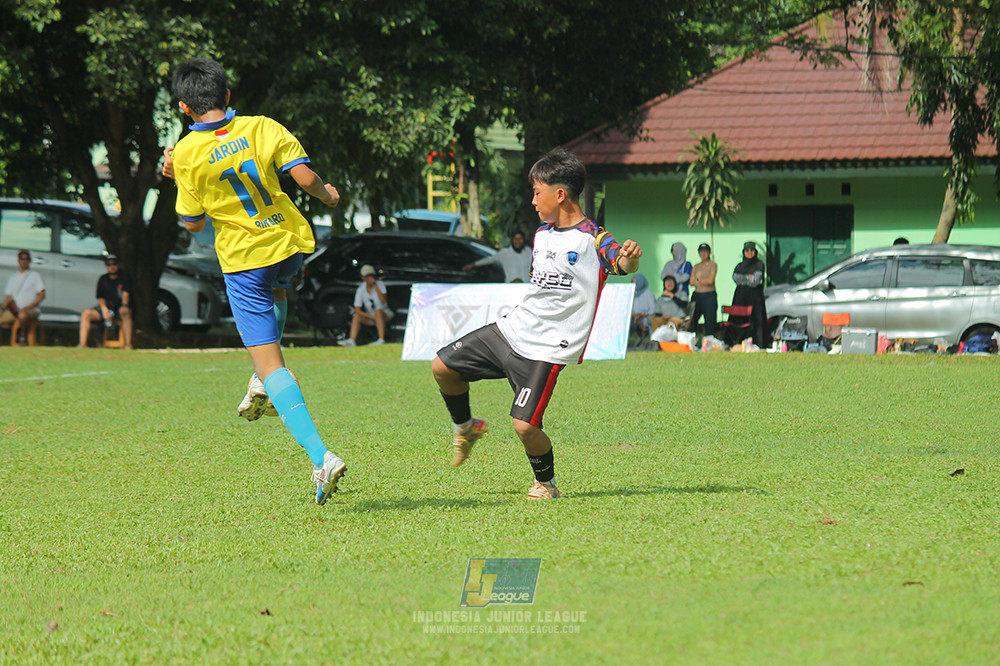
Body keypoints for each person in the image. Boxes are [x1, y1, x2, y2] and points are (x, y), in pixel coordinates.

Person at [164, 57, 346, 504]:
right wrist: (328, 195)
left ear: (184, 107)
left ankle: (321, 457)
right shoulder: (262, 126)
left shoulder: (185, 153)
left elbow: (191, 222)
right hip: (288, 244)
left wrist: (175, 175)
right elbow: (304, 177)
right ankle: (262, 382)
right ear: (227, 95)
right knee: (278, 288)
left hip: (245, 260)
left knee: (270, 363)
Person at [431, 148, 642, 500]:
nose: (532, 201)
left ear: (559, 194)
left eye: (536, 192)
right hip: (512, 330)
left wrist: (629, 259)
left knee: (525, 426)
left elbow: (620, 263)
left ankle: (547, 485)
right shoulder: (542, 234)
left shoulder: (594, 238)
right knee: (442, 367)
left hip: (548, 348)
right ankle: (466, 428)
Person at [77, 254, 133, 349]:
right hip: (106, 308)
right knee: (86, 314)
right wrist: (104, 309)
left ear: (118, 265)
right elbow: (100, 297)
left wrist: (124, 305)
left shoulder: (125, 277)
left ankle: (128, 344)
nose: (112, 267)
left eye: (114, 264)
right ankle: (82, 344)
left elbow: (125, 294)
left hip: (119, 308)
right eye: (109, 264)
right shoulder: (103, 279)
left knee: (125, 312)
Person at [340, 264, 392, 346]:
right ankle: (352, 340)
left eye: (371, 275)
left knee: (378, 312)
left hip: (384, 313)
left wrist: (375, 286)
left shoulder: (380, 284)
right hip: (371, 315)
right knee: (356, 316)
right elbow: (357, 309)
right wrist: (372, 317)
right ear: (363, 278)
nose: (370, 278)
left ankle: (381, 339)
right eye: (367, 276)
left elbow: (383, 300)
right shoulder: (360, 289)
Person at [2, 249, 45, 345]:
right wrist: (1, 309)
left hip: (31, 310)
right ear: (18, 261)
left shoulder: (35, 276)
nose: (24, 261)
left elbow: (42, 295)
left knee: (22, 315)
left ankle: (22, 336)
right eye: (22, 259)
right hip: (14, 310)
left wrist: (29, 306)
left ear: (29, 261)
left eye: (27, 259)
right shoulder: (13, 278)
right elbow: (8, 297)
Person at [731, 241, 768, 348]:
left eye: (752, 250)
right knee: (739, 321)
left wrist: (743, 280)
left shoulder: (759, 264)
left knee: (757, 322)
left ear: (755, 252)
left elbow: (754, 281)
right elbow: (735, 278)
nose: (749, 252)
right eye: (747, 250)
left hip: (756, 300)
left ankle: (758, 345)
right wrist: (748, 277)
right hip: (740, 299)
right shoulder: (739, 266)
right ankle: (738, 343)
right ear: (744, 252)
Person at [462, 230, 532, 283]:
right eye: (515, 238)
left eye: (520, 238)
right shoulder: (505, 253)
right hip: (511, 288)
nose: (518, 241)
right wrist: (473, 265)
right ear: (512, 240)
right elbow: (489, 260)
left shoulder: (528, 251)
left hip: (527, 287)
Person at [689, 242, 718, 337]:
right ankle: (692, 338)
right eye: (701, 251)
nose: (703, 254)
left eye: (705, 251)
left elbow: (710, 281)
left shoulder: (712, 265)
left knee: (710, 320)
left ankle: (710, 339)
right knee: (692, 319)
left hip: (709, 295)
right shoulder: (696, 266)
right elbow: (691, 282)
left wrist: (698, 280)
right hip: (697, 295)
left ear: (709, 253)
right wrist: (701, 281)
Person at [630, 273, 656, 338]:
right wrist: (633, 314)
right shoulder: (631, 293)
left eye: (635, 282)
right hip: (634, 317)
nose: (633, 284)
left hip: (645, 317)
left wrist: (641, 315)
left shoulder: (648, 293)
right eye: (632, 282)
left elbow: (653, 309)